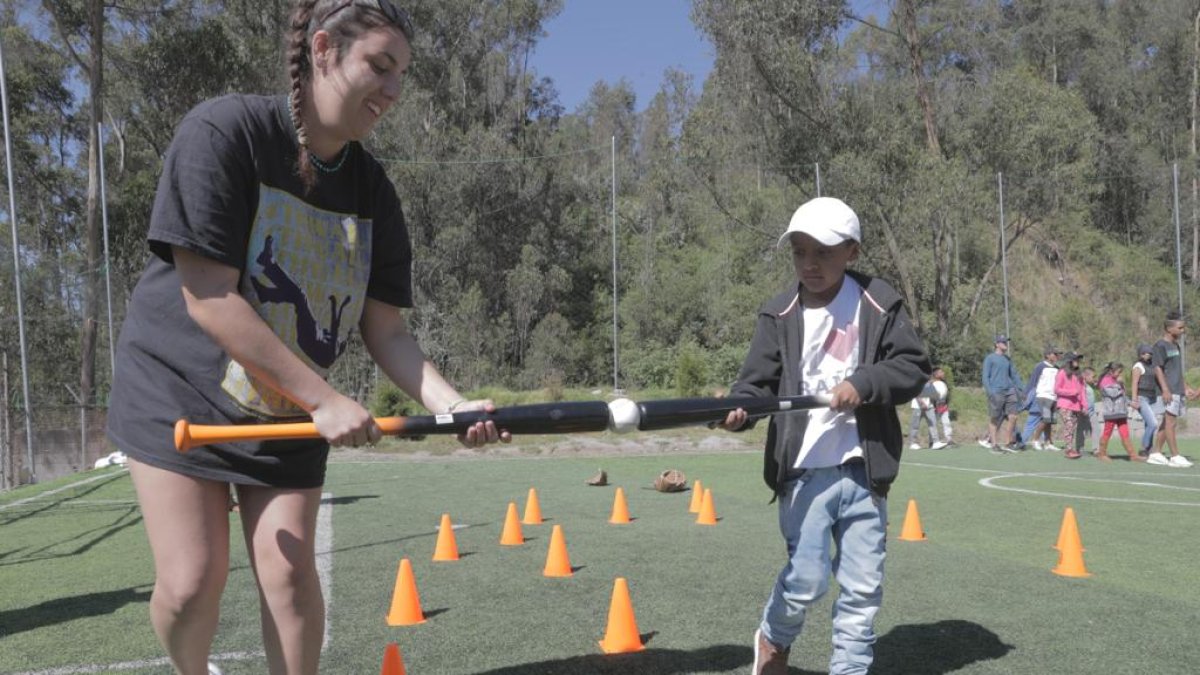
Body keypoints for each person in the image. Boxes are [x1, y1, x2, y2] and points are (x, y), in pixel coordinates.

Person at [105, 3, 509, 674]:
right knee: (190, 584)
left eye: (402, 73)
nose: (393, 90)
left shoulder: (373, 192)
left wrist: (453, 403)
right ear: (322, 49)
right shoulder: (226, 133)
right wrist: (324, 399)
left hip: (286, 414)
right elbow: (207, 294)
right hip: (178, 397)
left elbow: (388, 331)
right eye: (380, 66)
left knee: (290, 579)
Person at [716, 197, 930, 675]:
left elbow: (912, 367)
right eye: (799, 253)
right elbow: (755, 384)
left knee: (862, 589)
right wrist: (740, 410)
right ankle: (773, 638)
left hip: (865, 472)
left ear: (851, 251)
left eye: (824, 253)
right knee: (807, 581)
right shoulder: (779, 313)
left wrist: (863, 384)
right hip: (803, 472)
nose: (809, 265)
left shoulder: (879, 301)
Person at [1149, 312, 1197, 467]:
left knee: (1167, 422)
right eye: (1180, 328)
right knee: (1171, 422)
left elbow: (1176, 369)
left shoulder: (1175, 346)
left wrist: (1186, 387)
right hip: (1168, 390)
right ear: (1170, 329)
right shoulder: (1160, 346)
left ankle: (1156, 453)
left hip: (1177, 388)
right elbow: (1157, 368)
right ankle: (1175, 456)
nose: (1183, 331)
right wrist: (1165, 389)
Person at [981, 334, 1024, 452]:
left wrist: (1022, 389)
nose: (1005, 344)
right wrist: (990, 392)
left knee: (1013, 416)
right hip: (996, 392)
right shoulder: (990, 358)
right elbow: (985, 377)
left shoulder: (1007, 359)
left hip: (1009, 391)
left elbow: (1014, 375)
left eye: (1006, 342)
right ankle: (994, 444)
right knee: (995, 418)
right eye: (1003, 342)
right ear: (997, 344)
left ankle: (1008, 442)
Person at [1097, 362, 1144, 462]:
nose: (1120, 374)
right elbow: (1113, 393)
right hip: (1111, 413)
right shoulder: (1105, 381)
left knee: (1125, 433)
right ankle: (1102, 453)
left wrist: (1131, 403)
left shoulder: (1116, 382)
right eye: (1119, 372)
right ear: (1111, 371)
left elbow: (1122, 396)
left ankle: (1132, 455)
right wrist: (1120, 384)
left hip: (1121, 412)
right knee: (1107, 432)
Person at [1024, 346, 1061, 451]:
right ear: (1048, 355)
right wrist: (1025, 394)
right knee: (1045, 419)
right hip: (1042, 396)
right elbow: (1032, 381)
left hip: (1054, 397)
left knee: (1050, 422)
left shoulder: (1057, 368)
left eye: (1057, 354)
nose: (1057, 356)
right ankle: (1035, 440)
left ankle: (1048, 442)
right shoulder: (1040, 366)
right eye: (1054, 354)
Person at [1055, 353, 1087, 459]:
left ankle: (1071, 448)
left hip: (1076, 406)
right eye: (1075, 360)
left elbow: (1082, 391)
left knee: (1072, 428)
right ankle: (1068, 450)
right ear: (1069, 361)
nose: (1078, 362)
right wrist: (1072, 392)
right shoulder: (1062, 373)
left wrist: (1084, 405)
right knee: (1069, 425)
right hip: (1064, 405)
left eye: (1078, 360)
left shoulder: (1079, 375)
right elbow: (1057, 389)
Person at [1130, 344, 1159, 456]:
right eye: (1148, 353)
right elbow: (1134, 383)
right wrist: (1134, 400)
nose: (1150, 355)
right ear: (1141, 354)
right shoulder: (1138, 366)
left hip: (1152, 398)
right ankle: (1144, 447)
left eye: (1151, 353)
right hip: (1141, 398)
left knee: (1148, 424)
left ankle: (1149, 448)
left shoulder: (1152, 365)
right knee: (1153, 423)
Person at [907, 378, 943, 449]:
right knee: (915, 425)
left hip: (929, 407)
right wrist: (921, 403)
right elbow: (916, 393)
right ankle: (912, 443)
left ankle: (936, 442)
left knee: (933, 423)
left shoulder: (931, 384)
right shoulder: (918, 381)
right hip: (917, 406)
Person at [930, 366, 953, 445]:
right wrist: (934, 405)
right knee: (933, 424)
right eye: (941, 372)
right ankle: (933, 441)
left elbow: (946, 394)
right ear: (935, 374)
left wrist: (946, 403)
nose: (943, 373)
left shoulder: (944, 382)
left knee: (946, 422)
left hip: (943, 406)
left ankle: (949, 439)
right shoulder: (932, 383)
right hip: (935, 407)